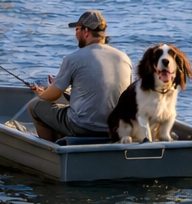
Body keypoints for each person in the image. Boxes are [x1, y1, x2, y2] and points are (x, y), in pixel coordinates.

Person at [28, 10, 132, 141]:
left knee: (35, 105)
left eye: (77, 30)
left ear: (86, 31)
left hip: (83, 127)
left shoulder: (73, 59)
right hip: (116, 128)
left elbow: (53, 95)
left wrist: (41, 94)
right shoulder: (124, 58)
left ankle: (50, 150)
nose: (76, 34)